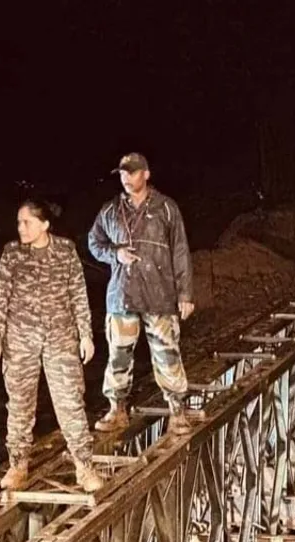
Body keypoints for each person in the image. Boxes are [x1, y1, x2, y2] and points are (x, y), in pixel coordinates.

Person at [0, 200, 103, 492]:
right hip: (20, 341)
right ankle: (18, 465)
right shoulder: (12, 254)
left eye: (26, 222)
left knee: (70, 402)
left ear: (45, 224)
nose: (20, 228)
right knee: (20, 405)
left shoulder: (65, 251)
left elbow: (78, 294)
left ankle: (84, 466)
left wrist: (85, 335)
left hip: (60, 339)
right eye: (18, 223)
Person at [87, 152, 193, 435]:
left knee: (167, 353)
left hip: (159, 294)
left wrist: (185, 294)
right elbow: (94, 242)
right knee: (118, 355)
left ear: (146, 174)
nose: (126, 178)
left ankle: (177, 411)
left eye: (132, 172)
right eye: (122, 173)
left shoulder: (166, 209)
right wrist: (115, 254)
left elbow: (180, 251)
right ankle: (116, 410)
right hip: (122, 296)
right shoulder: (110, 211)